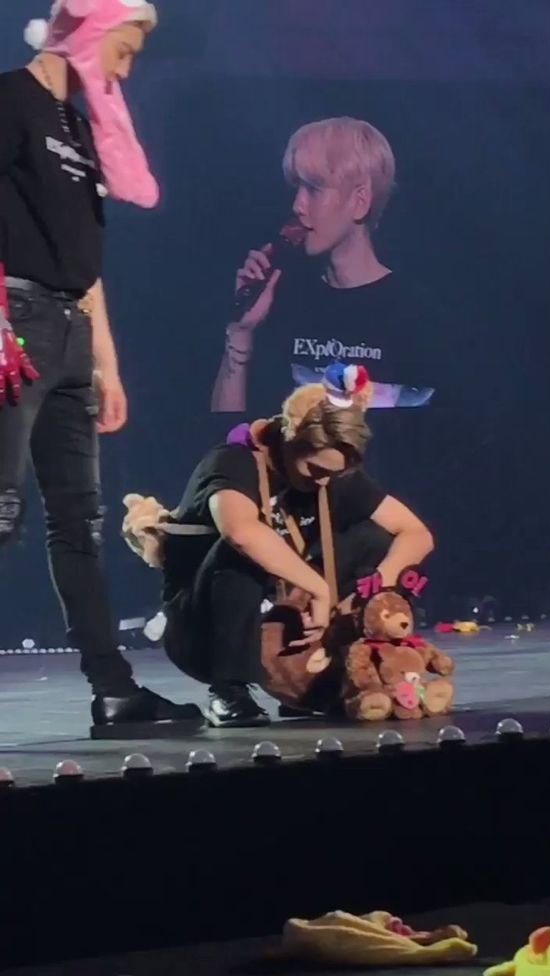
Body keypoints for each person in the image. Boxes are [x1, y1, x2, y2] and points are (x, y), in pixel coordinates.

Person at [0, 0, 201, 732]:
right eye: (124, 50)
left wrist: (106, 364)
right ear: (88, 34)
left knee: (79, 522)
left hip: (70, 334)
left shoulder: (77, 128)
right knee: (2, 510)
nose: (126, 69)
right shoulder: (10, 99)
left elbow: (86, 262)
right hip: (14, 324)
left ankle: (113, 691)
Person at [126, 364, 434, 727]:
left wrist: (373, 586)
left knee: (375, 540)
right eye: (314, 470)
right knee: (242, 552)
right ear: (290, 440)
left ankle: (320, 680)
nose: (323, 482)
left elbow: (416, 534)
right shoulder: (232, 463)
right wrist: (318, 588)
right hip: (203, 629)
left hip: (280, 617)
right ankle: (229, 691)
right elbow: (241, 533)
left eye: (333, 474)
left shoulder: (330, 473)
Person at [211, 116, 440, 426]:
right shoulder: (280, 302)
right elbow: (229, 438)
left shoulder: (415, 314)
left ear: (360, 202)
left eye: (314, 189)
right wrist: (241, 333)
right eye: (297, 188)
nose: (297, 205)